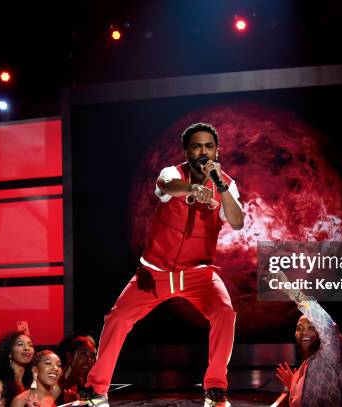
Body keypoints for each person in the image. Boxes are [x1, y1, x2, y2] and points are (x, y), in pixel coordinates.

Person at [80, 122, 244, 407]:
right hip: (154, 273)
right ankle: (96, 390)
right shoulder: (173, 173)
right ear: (187, 150)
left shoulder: (226, 184)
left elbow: (238, 222)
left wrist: (221, 187)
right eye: (196, 146)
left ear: (217, 150)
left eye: (208, 146)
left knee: (225, 313)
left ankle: (215, 388)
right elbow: (164, 186)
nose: (202, 151)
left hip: (198, 274)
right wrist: (192, 188)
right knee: (117, 319)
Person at [275, 290, 342, 407]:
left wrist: (289, 289)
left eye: (311, 327)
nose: (304, 332)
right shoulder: (303, 368)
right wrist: (293, 385)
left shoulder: (331, 355)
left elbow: (326, 325)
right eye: (299, 328)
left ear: (320, 332)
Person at [0, 332, 35, 406]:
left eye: (30, 345)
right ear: (9, 353)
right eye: (20, 344)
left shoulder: (29, 383)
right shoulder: (0, 385)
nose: (27, 348)